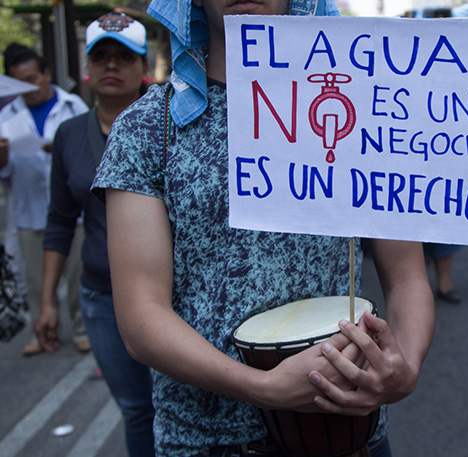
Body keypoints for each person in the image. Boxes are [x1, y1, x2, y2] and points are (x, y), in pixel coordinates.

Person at [92, 1, 435, 457]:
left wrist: (405, 365)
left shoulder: (363, 108)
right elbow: (140, 316)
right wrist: (261, 387)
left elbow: (408, 273)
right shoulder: (146, 130)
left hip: (350, 437)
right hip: (205, 443)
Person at [33, 13, 156, 456]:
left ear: (143, 65)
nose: (111, 66)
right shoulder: (69, 135)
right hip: (102, 299)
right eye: (101, 56)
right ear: (87, 66)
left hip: (171, 297)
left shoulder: (171, 123)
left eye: (124, 57)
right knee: (137, 409)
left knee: (182, 404)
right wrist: (48, 303)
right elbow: (60, 221)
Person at [0, 44, 89, 355]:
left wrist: (60, 149)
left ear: (47, 74)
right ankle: (43, 328)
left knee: (78, 271)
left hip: (71, 208)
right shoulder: (7, 116)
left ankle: (82, 328)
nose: (30, 88)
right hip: (29, 207)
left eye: (33, 78)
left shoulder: (72, 105)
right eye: (20, 82)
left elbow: (89, 147)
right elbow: (5, 170)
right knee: (35, 277)